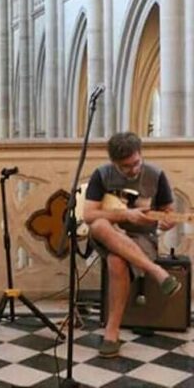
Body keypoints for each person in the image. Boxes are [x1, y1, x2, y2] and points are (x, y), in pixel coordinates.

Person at [83, 131, 181, 358]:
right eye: (126, 167)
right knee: (98, 225)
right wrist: (127, 216)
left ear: (141, 154)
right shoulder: (102, 174)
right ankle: (156, 271)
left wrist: (167, 222)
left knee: (117, 261)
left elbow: (168, 212)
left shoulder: (156, 175)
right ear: (114, 163)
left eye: (136, 163)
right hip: (108, 234)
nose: (133, 169)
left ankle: (111, 331)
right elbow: (88, 215)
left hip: (142, 239)